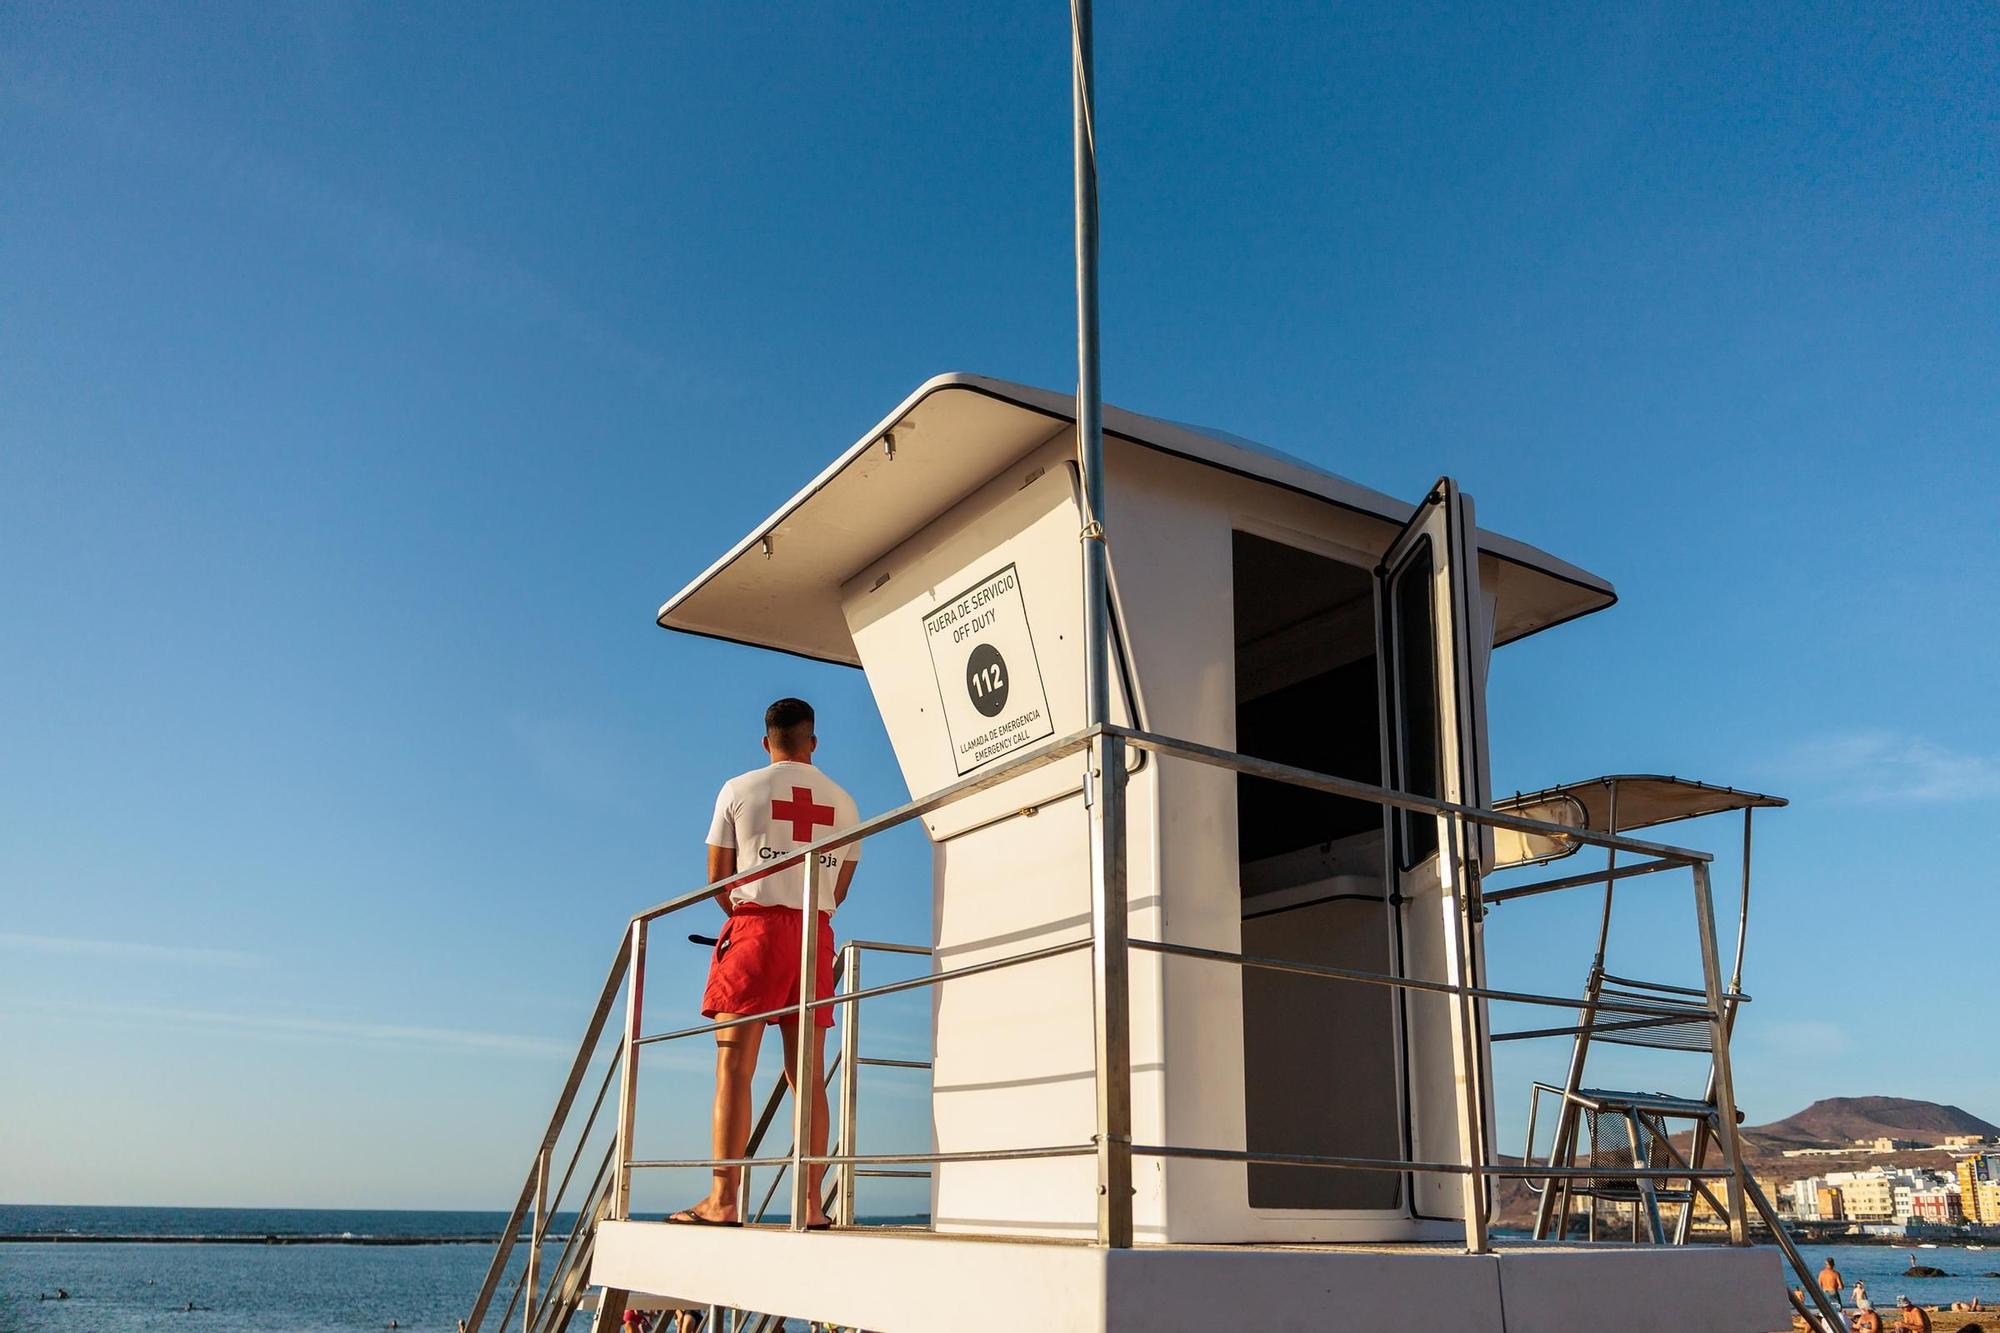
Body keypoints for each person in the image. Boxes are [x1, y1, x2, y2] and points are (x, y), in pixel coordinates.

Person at [668, 698, 862, 1231]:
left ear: (765, 741)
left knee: (735, 1067)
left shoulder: (738, 789)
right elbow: (839, 889)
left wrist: (750, 922)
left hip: (754, 928)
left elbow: (718, 878)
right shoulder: (844, 802)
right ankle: (811, 1205)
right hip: (815, 934)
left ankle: (723, 1200)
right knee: (808, 1077)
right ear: (813, 742)